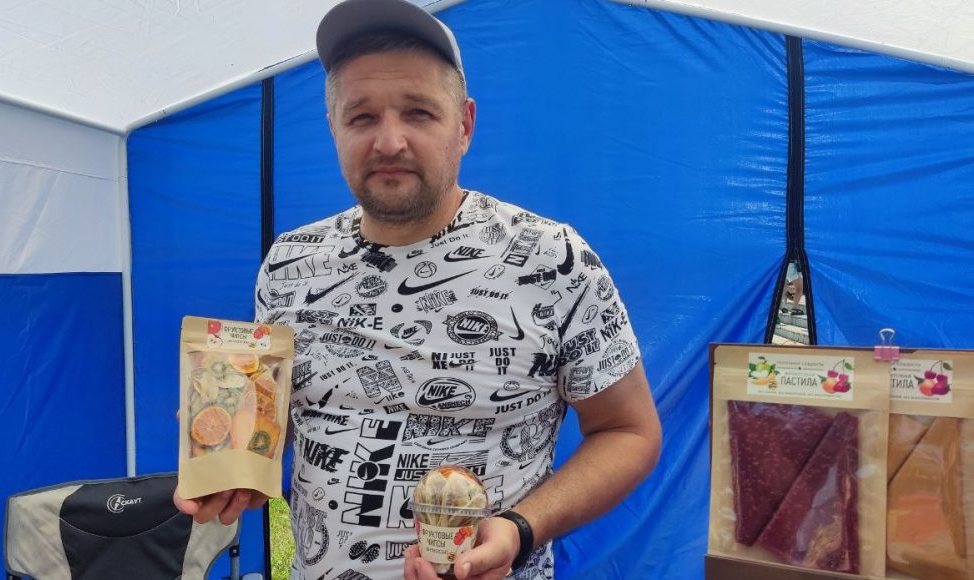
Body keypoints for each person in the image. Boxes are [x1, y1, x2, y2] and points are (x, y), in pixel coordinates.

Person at [175, 1, 662, 578]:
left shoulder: (551, 259)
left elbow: (629, 431)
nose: (389, 141)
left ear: (465, 125)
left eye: (419, 113)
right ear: (333, 128)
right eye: (362, 117)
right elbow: (280, 423)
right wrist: (231, 454)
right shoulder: (290, 263)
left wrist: (521, 528)